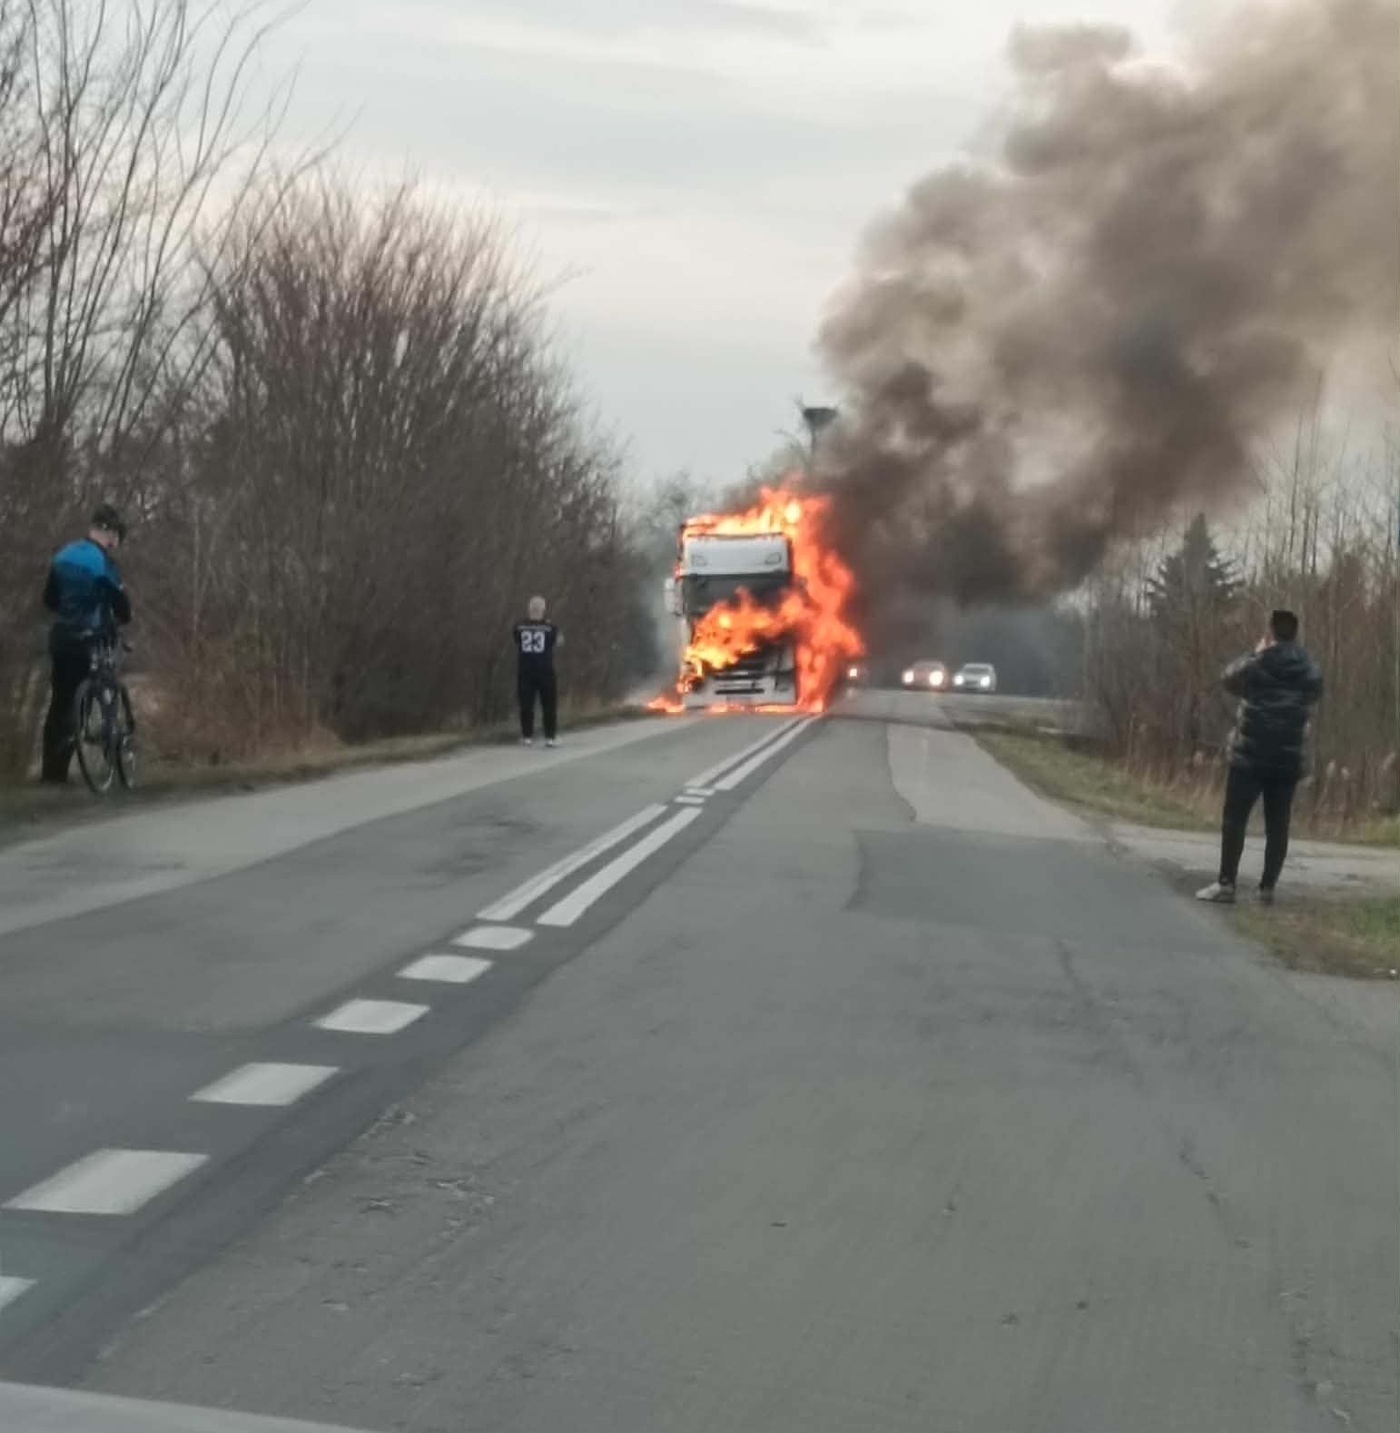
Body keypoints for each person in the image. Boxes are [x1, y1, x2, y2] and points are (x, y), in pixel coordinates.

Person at [1197, 609, 1322, 905]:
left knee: (1235, 819)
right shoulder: (1310, 670)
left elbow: (1228, 679)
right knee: (1278, 824)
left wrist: (1257, 654)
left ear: (1270, 633)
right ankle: (1267, 888)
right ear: (1295, 634)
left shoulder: (1257, 664)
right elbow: (1314, 693)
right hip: (1287, 759)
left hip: (1250, 756)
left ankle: (1226, 884)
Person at [40, 503, 131, 785]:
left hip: (61, 638)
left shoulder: (62, 556)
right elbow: (121, 604)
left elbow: (49, 600)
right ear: (112, 535)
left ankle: (52, 775)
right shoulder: (104, 564)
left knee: (60, 704)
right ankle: (112, 758)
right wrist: (123, 617)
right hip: (90, 639)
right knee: (100, 696)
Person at [513, 595, 560, 748]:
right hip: (545, 670)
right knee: (549, 704)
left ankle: (527, 736)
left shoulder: (519, 626)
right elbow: (557, 642)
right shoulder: (550, 627)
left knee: (526, 704)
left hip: (525, 670)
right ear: (543, 610)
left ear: (529, 609)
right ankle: (550, 737)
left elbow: (516, 640)